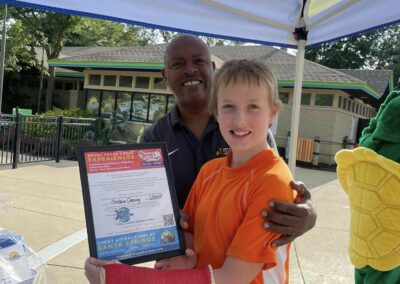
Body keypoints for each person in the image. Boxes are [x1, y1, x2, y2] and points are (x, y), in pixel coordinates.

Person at [86, 59, 295, 284]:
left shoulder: (273, 181)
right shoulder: (210, 171)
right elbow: (196, 237)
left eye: (253, 107)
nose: (240, 119)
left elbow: (231, 278)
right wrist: (189, 258)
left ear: (272, 113)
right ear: (215, 110)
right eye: (228, 106)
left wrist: (118, 277)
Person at [140, 35, 316, 247]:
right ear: (165, 75)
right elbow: (144, 203)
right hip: (179, 256)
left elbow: (277, 190)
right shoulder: (153, 139)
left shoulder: (247, 131)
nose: (190, 69)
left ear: (212, 68)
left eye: (199, 61)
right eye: (178, 64)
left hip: (240, 258)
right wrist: (167, 217)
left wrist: (307, 215)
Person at [335, 90, 400, 284]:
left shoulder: (368, 146)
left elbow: (369, 129)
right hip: (392, 245)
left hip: (362, 239)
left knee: (364, 273)